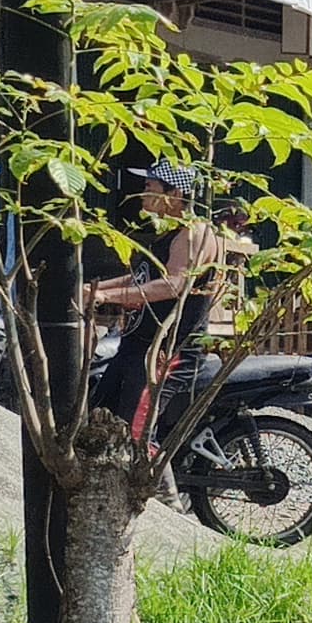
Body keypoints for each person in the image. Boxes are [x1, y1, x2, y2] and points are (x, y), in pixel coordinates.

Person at [89, 162, 233, 430]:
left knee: (136, 436)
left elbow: (172, 285)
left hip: (166, 352)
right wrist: (97, 290)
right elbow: (142, 278)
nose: (142, 194)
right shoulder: (170, 232)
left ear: (175, 194)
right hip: (137, 347)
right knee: (100, 422)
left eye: (148, 187)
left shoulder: (193, 235)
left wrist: (108, 297)